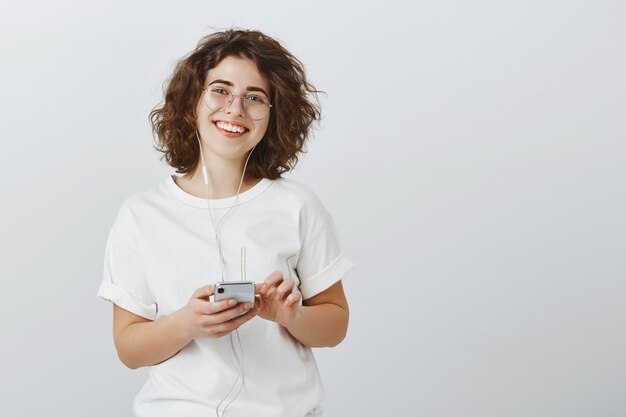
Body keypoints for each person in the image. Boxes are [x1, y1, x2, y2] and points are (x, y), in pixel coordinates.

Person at [97, 29, 354, 417]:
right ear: (191, 103)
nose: (235, 109)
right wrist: (186, 323)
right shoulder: (140, 216)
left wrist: (290, 315)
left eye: (254, 97)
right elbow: (129, 349)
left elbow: (335, 325)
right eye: (220, 90)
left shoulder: (297, 205)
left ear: (273, 114)